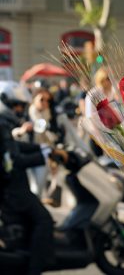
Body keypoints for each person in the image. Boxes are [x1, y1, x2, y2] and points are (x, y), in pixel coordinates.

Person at [0, 81, 56, 275]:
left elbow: (15, 148)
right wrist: (45, 155)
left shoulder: (4, 123)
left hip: (10, 187)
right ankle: (35, 268)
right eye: (15, 105)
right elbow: (15, 160)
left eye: (21, 106)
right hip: (13, 190)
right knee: (45, 220)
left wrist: (44, 148)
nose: (18, 109)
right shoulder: (2, 124)